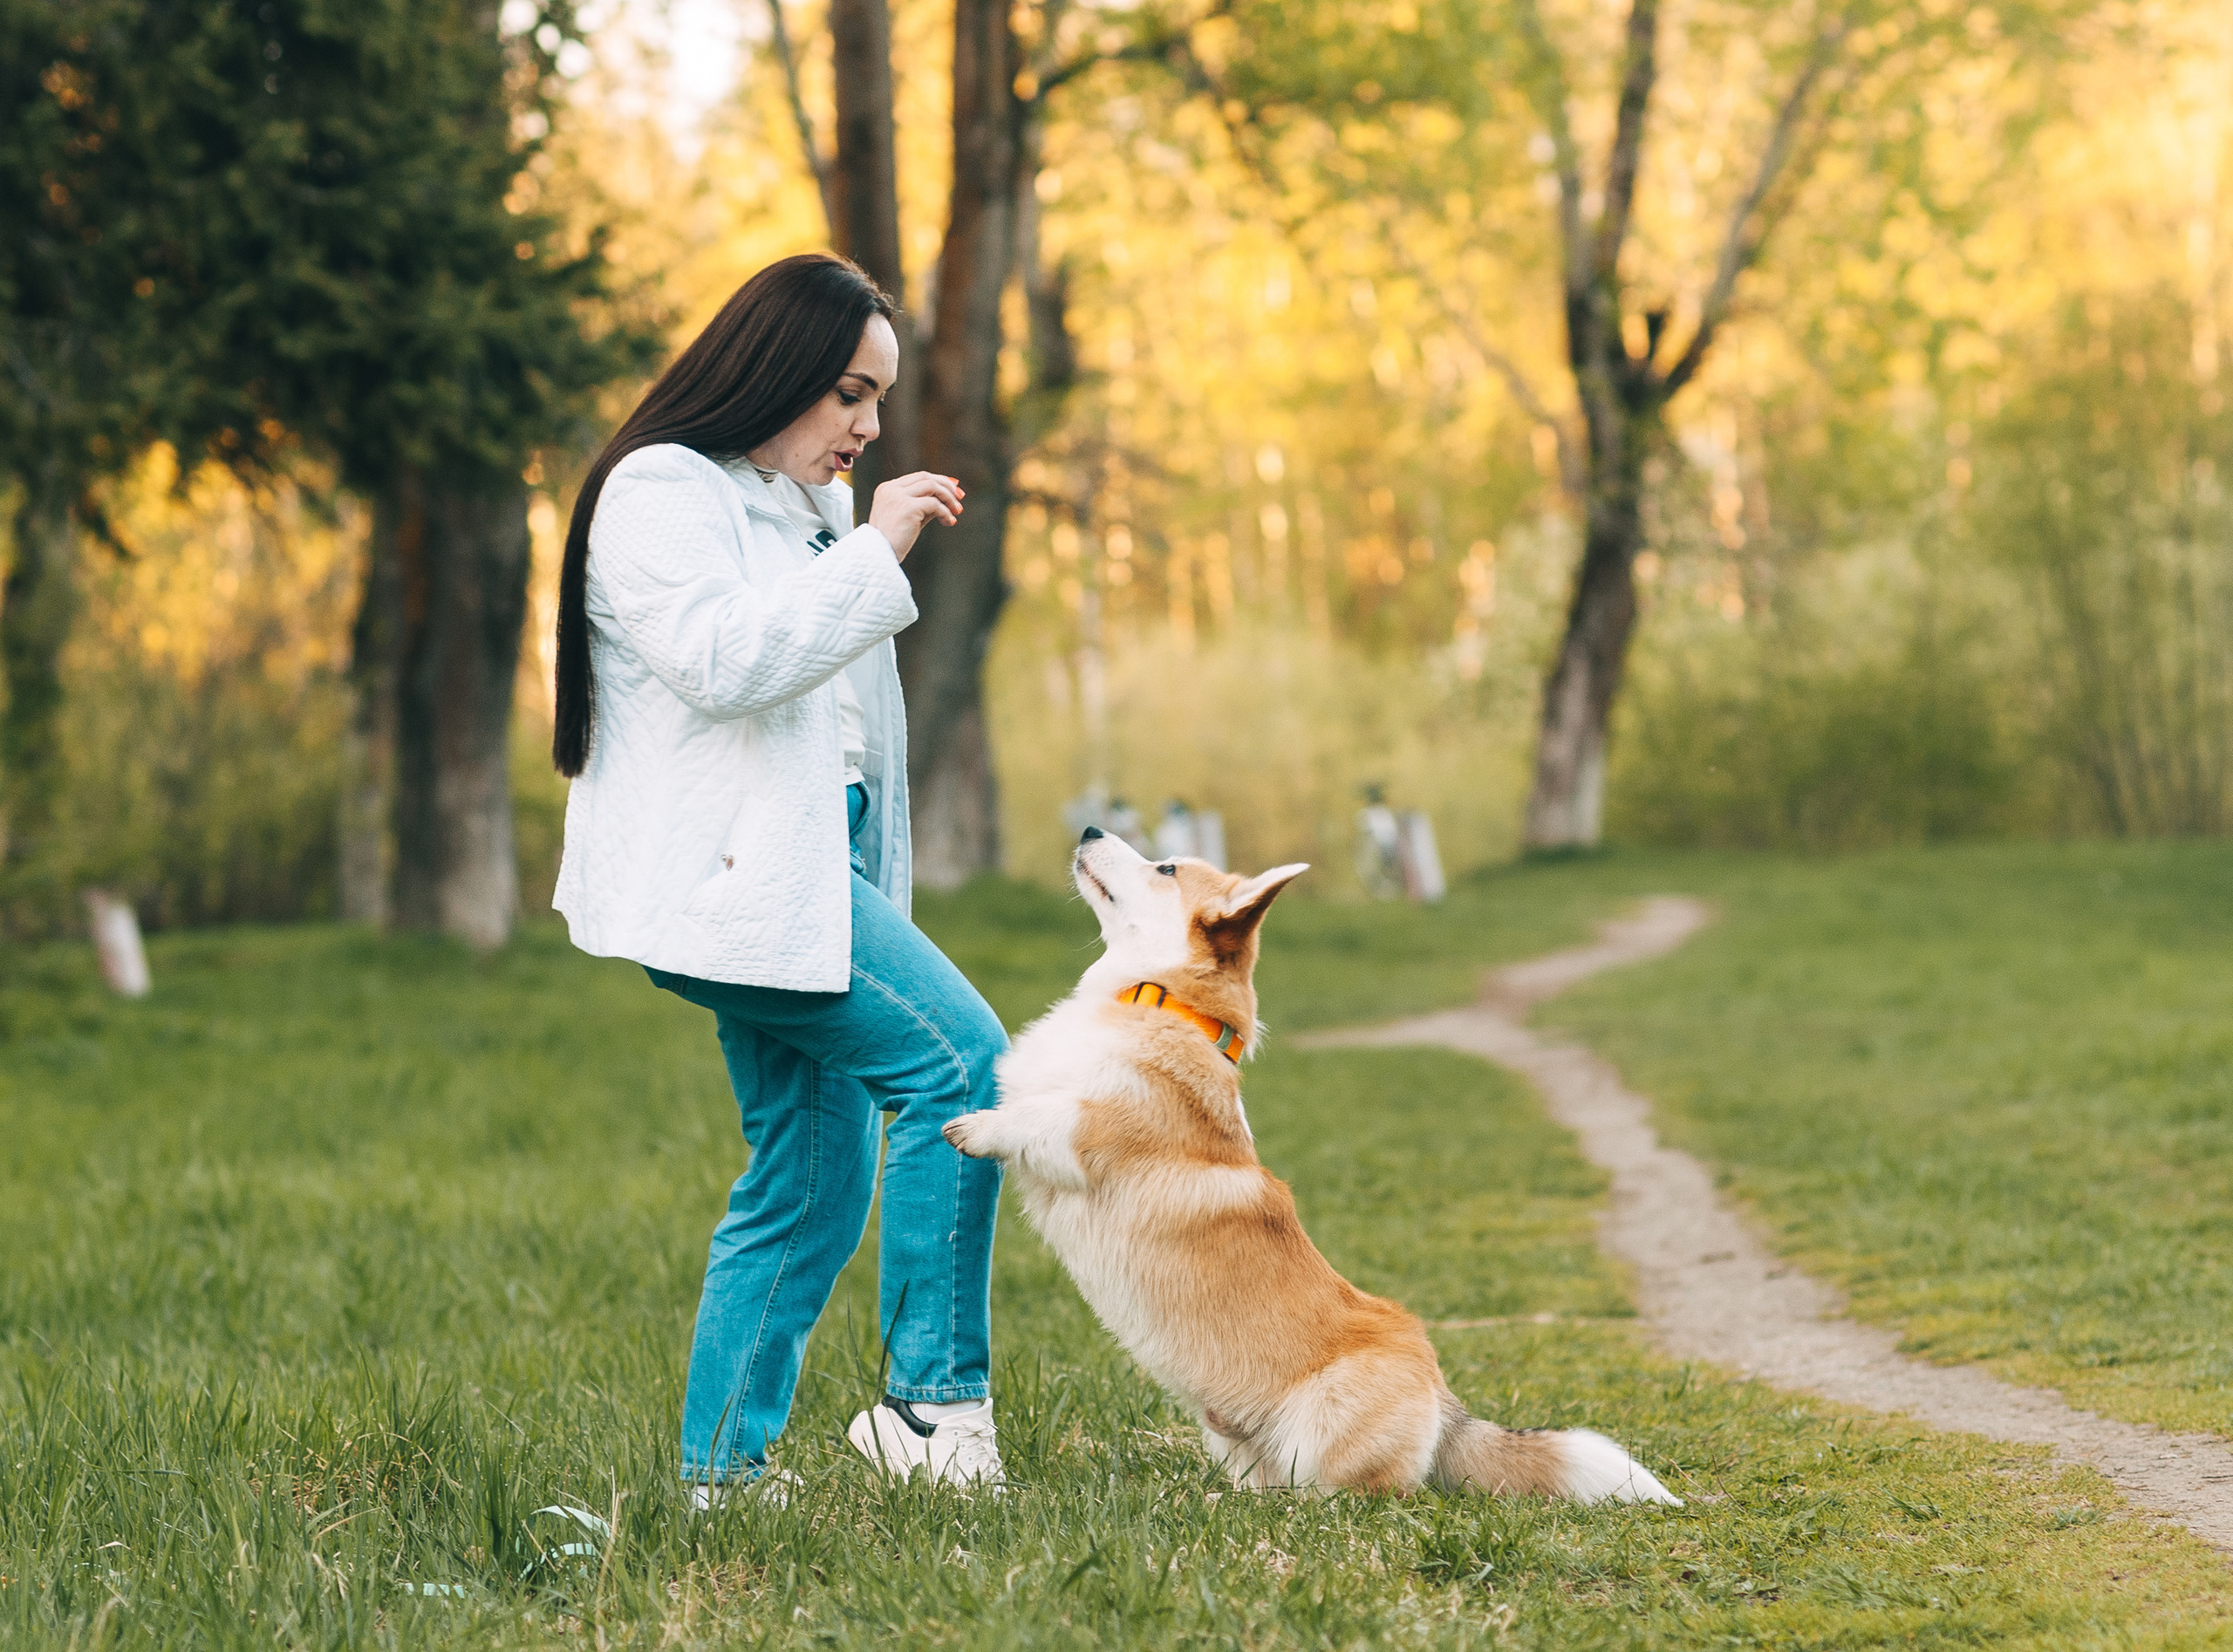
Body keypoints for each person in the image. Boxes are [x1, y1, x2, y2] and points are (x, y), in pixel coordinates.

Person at [550, 253, 1007, 1501]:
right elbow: (725, 664)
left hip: (818, 858)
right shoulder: (660, 488)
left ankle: (721, 1473)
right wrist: (883, 548)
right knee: (964, 1066)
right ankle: (931, 1408)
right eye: (850, 394)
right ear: (777, 369)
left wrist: (858, 545)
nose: (867, 426)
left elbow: (846, 731)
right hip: (737, 879)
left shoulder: (798, 503)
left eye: (878, 400)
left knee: (812, 1173)